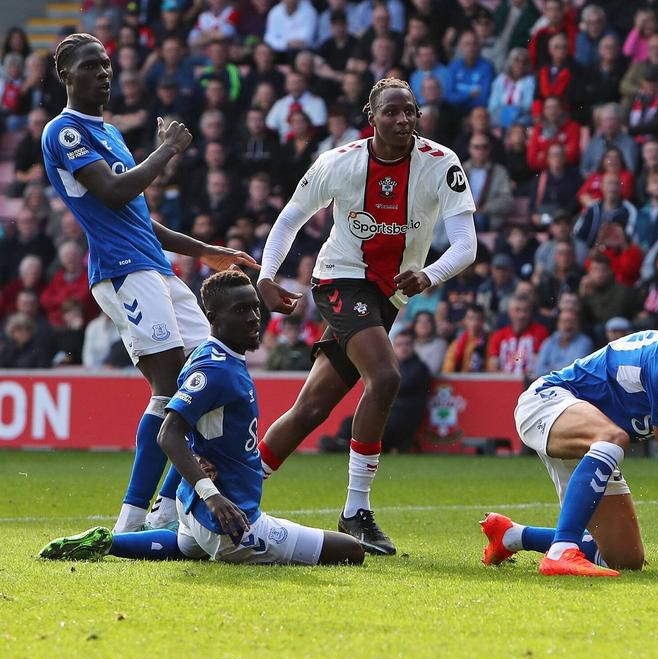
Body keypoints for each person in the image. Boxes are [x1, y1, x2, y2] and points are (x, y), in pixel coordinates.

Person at [41, 33, 258, 539]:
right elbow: (116, 191)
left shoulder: (112, 133)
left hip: (153, 266)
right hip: (122, 271)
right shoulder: (63, 132)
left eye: (108, 65)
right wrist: (167, 151)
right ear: (66, 75)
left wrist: (209, 251)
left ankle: (167, 504)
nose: (104, 73)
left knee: (202, 373)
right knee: (168, 389)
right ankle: (133, 519)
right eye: (91, 66)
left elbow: (141, 217)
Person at [255, 77, 477, 556]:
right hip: (338, 278)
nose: (402, 120)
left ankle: (236, 484)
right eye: (392, 112)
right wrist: (267, 276)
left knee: (311, 408)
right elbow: (290, 217)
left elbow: (466, 244)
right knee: (386, 377)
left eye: (410, 111)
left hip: (388, 295)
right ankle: (356, 511)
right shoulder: (339, 163)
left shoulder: (441, 163)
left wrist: (430, 275)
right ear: (370, 117)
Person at [40, 271, 365, 566]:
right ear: (213, 318)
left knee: (186, 546)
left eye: (254, 307)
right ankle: (215, 532)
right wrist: (215, 497)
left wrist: (199, 462)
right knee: (351, 550)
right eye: (240, 310)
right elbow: (168, 433)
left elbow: (195, 424)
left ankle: (110, 543)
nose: (254, 318)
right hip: (229, 520)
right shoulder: (216, 370)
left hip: (191, 508)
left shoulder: (212, 356)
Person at [478, 306, 658, 577]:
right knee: (613, 437)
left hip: (596, 443)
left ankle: (511, 536)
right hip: (548, 402)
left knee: (625, 558)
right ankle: (560, 551)